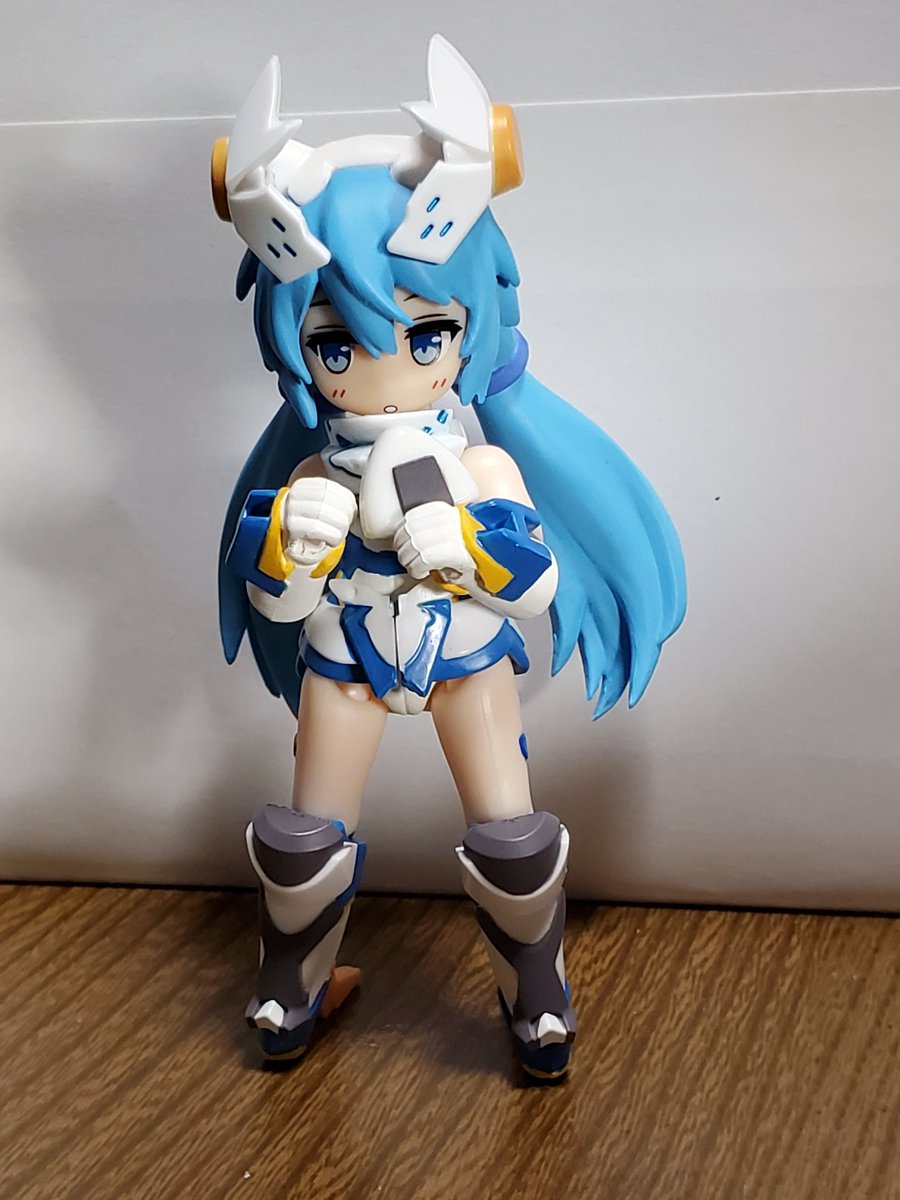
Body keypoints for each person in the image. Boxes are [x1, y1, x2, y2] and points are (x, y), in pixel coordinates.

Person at [215, 38, 686, 1082]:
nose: (384, 368)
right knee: (304, 835)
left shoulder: (480, 463)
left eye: (425, 336)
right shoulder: (314, 473)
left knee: (510, 834)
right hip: (347, 654)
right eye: (336, 346)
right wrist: (290, 546)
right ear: (299, 352)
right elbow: (277, 602)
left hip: (465, 649)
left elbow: (537, 582)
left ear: (469, 337)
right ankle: (289, 993)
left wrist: (471, 550)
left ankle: (538, 1002)